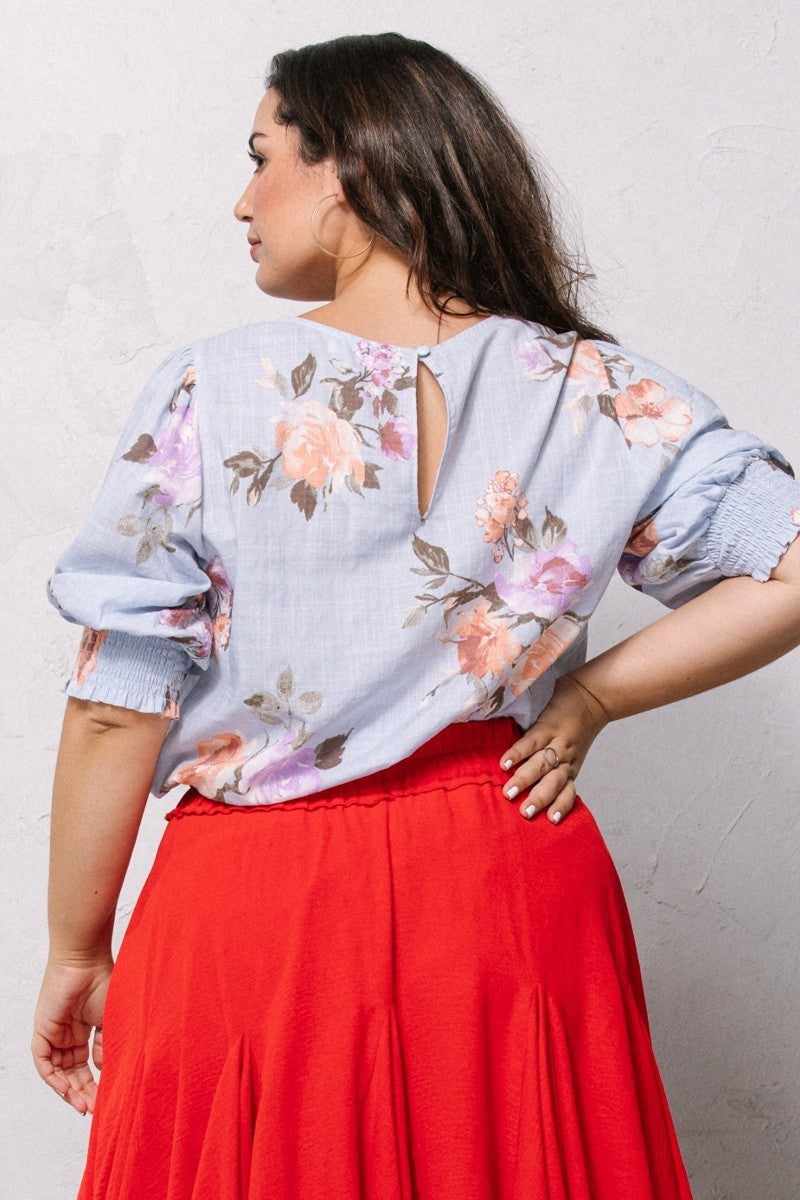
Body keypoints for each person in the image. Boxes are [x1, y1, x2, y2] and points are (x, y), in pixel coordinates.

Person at [33, 32, 800, 1200]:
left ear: (348, 167)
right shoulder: (595, 391)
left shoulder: (211, 388)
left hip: (256, 904)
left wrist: (78, 950)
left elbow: (113, 707)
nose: (242, 199)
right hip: (504, 880)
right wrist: (588, 696)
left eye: (260, 155)